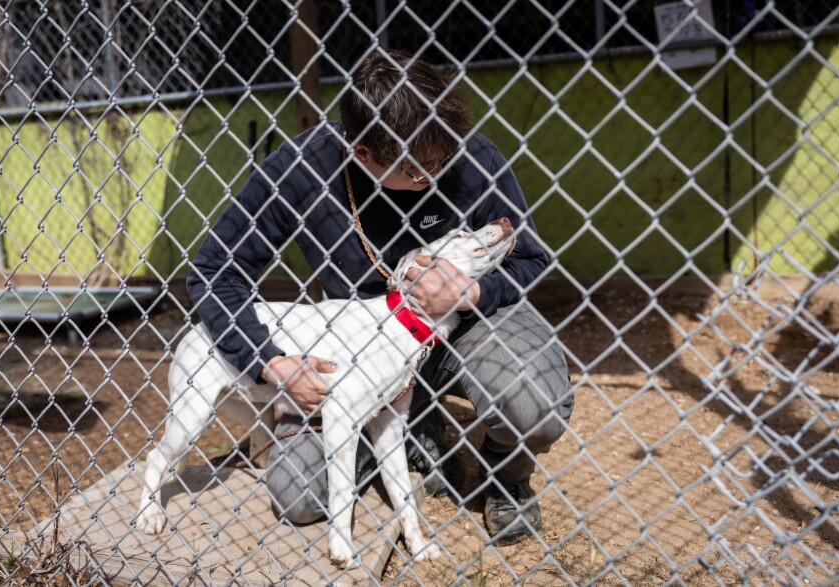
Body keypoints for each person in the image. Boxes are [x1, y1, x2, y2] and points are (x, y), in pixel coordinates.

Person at [187, 49, 573, 544]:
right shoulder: (302, 168)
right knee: (298, 495)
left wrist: (471, 289)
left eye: (444, 158)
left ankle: (506, 474)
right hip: (357, 356)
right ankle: (407, 427)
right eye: (419, 170)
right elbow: (215, 270)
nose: (436, 172)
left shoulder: (469, 154)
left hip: (466, 328)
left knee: (533, 404)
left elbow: (530, 258)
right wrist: (269, 362)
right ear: (361, 153)